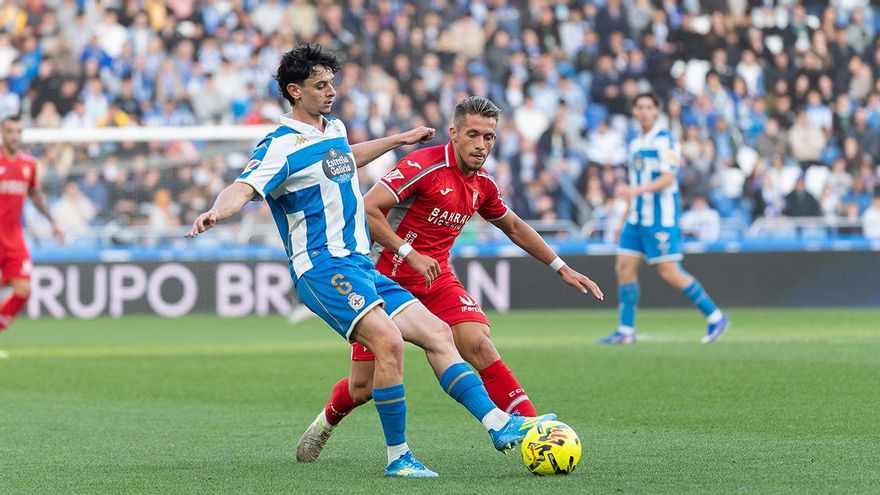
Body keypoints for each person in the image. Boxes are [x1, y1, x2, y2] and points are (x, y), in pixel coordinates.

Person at [185, 44, 553, 478]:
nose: (331, 92)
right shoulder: (278, 147)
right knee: (389, 342)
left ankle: (498, 425)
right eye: (320, 86)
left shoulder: (332, 128)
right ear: (294, 91)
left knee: (437, 333)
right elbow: (243, 187)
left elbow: (344, 157)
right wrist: (216, 211)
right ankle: (399, 457)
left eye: (332, 83)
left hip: (360, 263)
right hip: (321, 266)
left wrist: (396, 140)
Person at [295, 96, 604, 463]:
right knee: (363, 387)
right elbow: (368, 208)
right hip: (383, 278)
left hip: (436, 279)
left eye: (489, 137)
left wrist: (561, 267)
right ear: (454, 134)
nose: (481, 145)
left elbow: (515, 226)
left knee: (479, 344)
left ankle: (532, 430)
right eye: (473, 135)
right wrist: (408, 252)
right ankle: (326, 421)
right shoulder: (422, 165)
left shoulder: (483, 185)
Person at [599, 93, 730, 345]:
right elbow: (635, 184)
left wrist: (635, 191)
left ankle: (715, 316)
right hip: (637, 218)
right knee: (624, 266)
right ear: (635, 112)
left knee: (669, 271)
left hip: (661, 218)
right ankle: (626, 330)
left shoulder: (665, 141)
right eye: (640, 107)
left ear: (656, 111)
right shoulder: (636, 144)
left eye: (649, 107)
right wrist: (622, 219)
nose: (645, 111)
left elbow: (669, 178)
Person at [0, 115, 63, 333]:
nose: (15, 136)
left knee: (24, 289)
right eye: (10, 131)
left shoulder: (29, 164)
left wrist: (53, 222)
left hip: (14, 237)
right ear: (2, 133)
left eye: (18, 131)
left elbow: (35, 194)